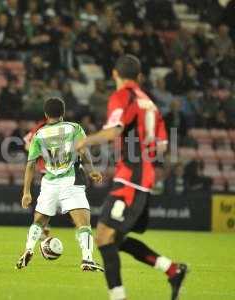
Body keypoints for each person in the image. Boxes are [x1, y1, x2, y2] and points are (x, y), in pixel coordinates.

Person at [76, 55, 188, 300]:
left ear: (115, 74)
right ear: (139, 77)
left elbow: (114, 130)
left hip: (130, 178)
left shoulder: (122, 96)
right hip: (143, 178)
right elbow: (161, 147)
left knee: (104, 237)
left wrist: (84, 141)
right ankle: (172, 269)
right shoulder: (151, 104)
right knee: (114, 238)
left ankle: (119, 297)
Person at [16, 97, 103, 272]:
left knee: (39, 222)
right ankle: (87, 259)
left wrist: (26, 192)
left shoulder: (38, 135)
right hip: (71, 180)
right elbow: (82, 150)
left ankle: (29, 249)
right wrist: (91, 169)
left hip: (49, 182)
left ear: (46, 114)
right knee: (83, 224)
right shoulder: (73, 128)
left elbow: (31, 164)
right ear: (63, 113)